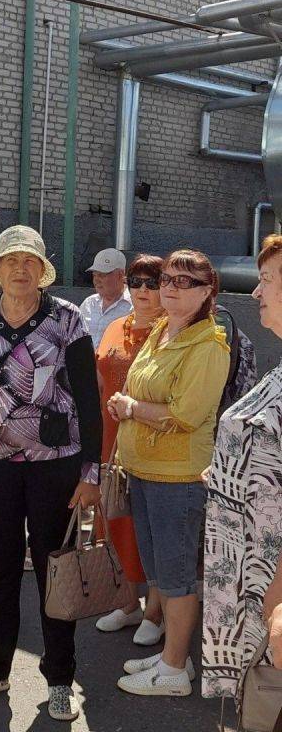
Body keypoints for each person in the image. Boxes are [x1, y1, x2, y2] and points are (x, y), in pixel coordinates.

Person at [0, 225, 102, 722]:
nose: (20, 269)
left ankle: (59, 678)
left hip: (54, 466)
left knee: (54, 570)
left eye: (30, 261)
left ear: (42, 270)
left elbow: (88, 401)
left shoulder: (67, 319)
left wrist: (91, 473)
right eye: (11, 261)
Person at [109, 249, 230, 698]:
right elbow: (138, 384)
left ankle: (176, 668)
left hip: (177, 478)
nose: (173, 287)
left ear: (207, 292)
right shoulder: (162, 330)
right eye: (168, 279)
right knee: (159, 570)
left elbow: (187, 413)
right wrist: (128, 403)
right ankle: (169, 657)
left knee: (177, 576)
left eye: (187, 281)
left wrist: (131, 408)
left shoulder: (209, 345)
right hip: (143, 470)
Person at [202, 234, 282, 699]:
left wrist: (278, 601)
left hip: (270, 587)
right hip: (250, 582)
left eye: (266, 280)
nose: (255, 292)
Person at [94, 254, 164, 645]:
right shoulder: (115, 327)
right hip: (110, 439)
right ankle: (126, 602)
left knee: (148, 528)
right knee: (114, 520)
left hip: (152, 442)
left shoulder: (172, 333)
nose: (142, 290)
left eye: (152, 282)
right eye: (136, 281)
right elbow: (100, 384)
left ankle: (155, 610)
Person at [80, 248, 132, 349]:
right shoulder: (88, 303)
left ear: (120, 275)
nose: (96, 280)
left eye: (102, 275)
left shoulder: (133, 307)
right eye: (94, 275)